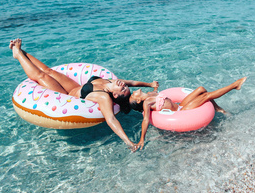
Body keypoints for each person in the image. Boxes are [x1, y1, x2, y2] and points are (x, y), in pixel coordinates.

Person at [9, 38, 158, 151]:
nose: (123, 84)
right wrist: (150, 84)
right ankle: (23, 52)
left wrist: (128, 141)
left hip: (66, 95)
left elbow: (111, 119)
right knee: (50, 71)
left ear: (116, 96)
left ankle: (18, 55)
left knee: (42, 77)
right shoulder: (112, 81)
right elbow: (132, 82)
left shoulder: (103, 96)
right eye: (124, 86)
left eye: (123, 89)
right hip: (74, 87)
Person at [128, 77, 247, 150]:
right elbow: (145, 120)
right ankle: (234, 86)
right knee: (206, 96)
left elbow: (157, 92)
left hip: (180, 106)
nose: (133, 92)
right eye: (133, 95)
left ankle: (216, 107)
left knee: (201, 89)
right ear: (138, 100)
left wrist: (154, 86)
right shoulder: (147, 103)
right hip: (182, 112)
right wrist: (142, 139)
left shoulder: (150, 94)